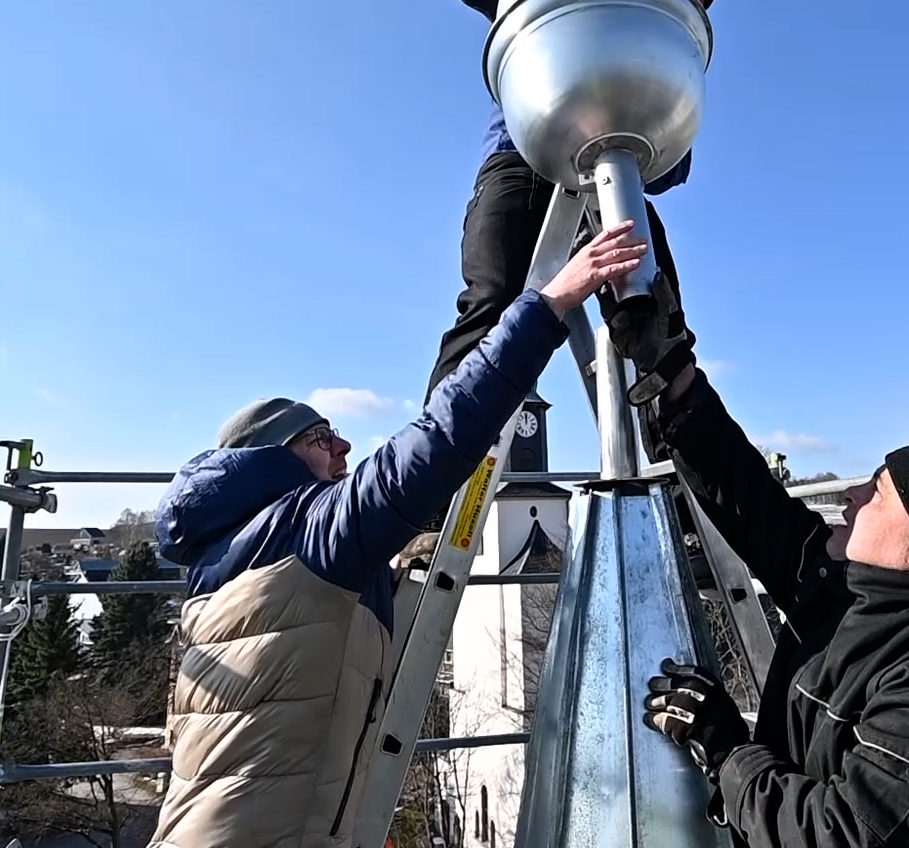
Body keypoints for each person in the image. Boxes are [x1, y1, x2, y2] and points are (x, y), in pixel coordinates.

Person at [146, 225, 647, 848]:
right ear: (276, 459)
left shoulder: (232, 557)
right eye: (322, 436)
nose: (343, 446)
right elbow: (429, 448)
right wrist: (547, 308)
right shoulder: (305, 533)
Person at [609, 304, 909, 845]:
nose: (852, 495)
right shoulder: (852, 589)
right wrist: (673, 373)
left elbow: (845, 835)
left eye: (878, 491)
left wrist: (729, 752)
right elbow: (752, 501)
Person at [425, 0, 719, 404]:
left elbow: (668, 173)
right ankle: (442, 464)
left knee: (655, 317)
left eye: (690, 3)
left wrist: (660, 113)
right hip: (522, 159)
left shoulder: (667, 58)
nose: (678, 2)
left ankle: (678, 459)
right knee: (492, 302)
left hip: (612, 179)